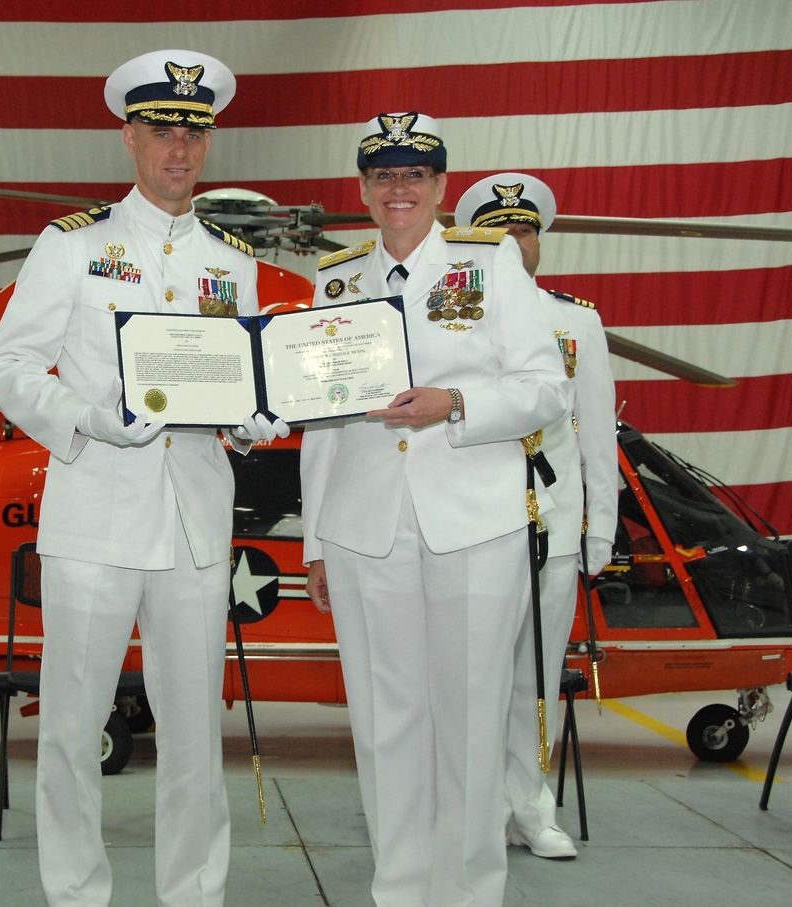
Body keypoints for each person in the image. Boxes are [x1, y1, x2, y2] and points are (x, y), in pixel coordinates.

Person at [0, 49, 285, 907]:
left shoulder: (232, 260)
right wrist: (85, 417)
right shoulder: (73, 245)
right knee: (74, 728)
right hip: (96, 517)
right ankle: (76, 891)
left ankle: (192, 893)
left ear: (209, 142)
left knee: (193, 733)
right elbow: (9, 365)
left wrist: (251, 419)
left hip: (194, 522)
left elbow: (239, 380)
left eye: (193, 132)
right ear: (129, 138)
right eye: (161, 130)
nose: (178, 150)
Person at [300, 113, 568, 907]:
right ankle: (401, 889)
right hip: (365, 526)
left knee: (472, 720)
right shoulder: (337, 279)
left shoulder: (491, 266)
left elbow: (545, 387)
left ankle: (469, 892)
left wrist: (455, 401)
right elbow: (321, 420)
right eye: (383, 175)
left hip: (473, 522)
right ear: (363, 189)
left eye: (414, 175)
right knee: (386, 725)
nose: (399, 189)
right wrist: (316, 538)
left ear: (442, 186)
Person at [456, 173, 619, 859]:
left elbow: (596, 436)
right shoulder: (457, 314)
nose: (516, 243)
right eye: (501, 232)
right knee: (473, 675)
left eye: (526, 230)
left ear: (540, 242)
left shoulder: (577, 322)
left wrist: (600, 528)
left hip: (553, 526)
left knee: (536, 676)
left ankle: (531, 804)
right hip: (478, 524)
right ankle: (473, 807)